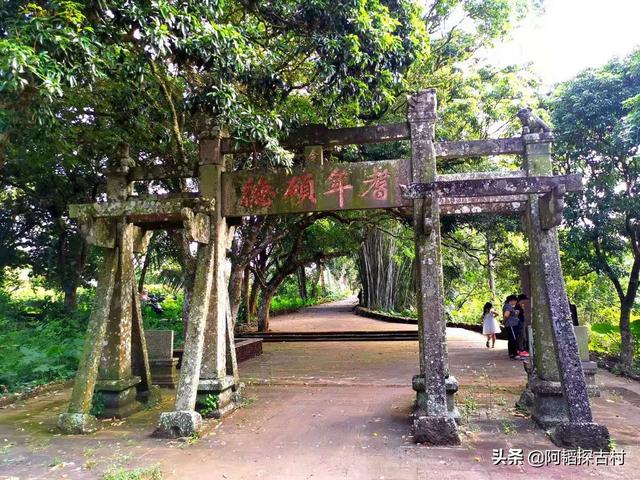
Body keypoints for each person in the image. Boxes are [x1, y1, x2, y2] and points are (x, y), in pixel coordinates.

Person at [503, 295, 521, 359]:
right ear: (512, 300)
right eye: (515, 301)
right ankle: (515, 353)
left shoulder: (508, 306)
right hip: (511, 325)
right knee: (513, 338)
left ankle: (511, 353)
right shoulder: (508, 306)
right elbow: (506, 315)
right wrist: (504, 321)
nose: (516, 302)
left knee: (511, 339)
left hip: (511, 324)